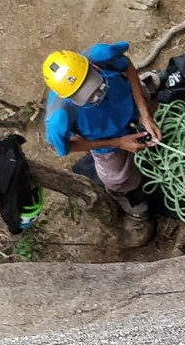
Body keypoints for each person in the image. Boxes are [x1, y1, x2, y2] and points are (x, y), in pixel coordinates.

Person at [43, 43, 162, 220]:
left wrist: (144, 114)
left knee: (144, 95)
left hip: (129, 104)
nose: (96, 95)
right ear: (67, 96)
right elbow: (65, 147)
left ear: (91, 67)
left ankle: (146, 89)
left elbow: (127, 65)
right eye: (85, 95)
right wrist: (117, 143)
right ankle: (122, 193)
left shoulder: (101, 56)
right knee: (117, 178)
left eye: (92, 83)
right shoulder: (58, 118)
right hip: (106, 138)